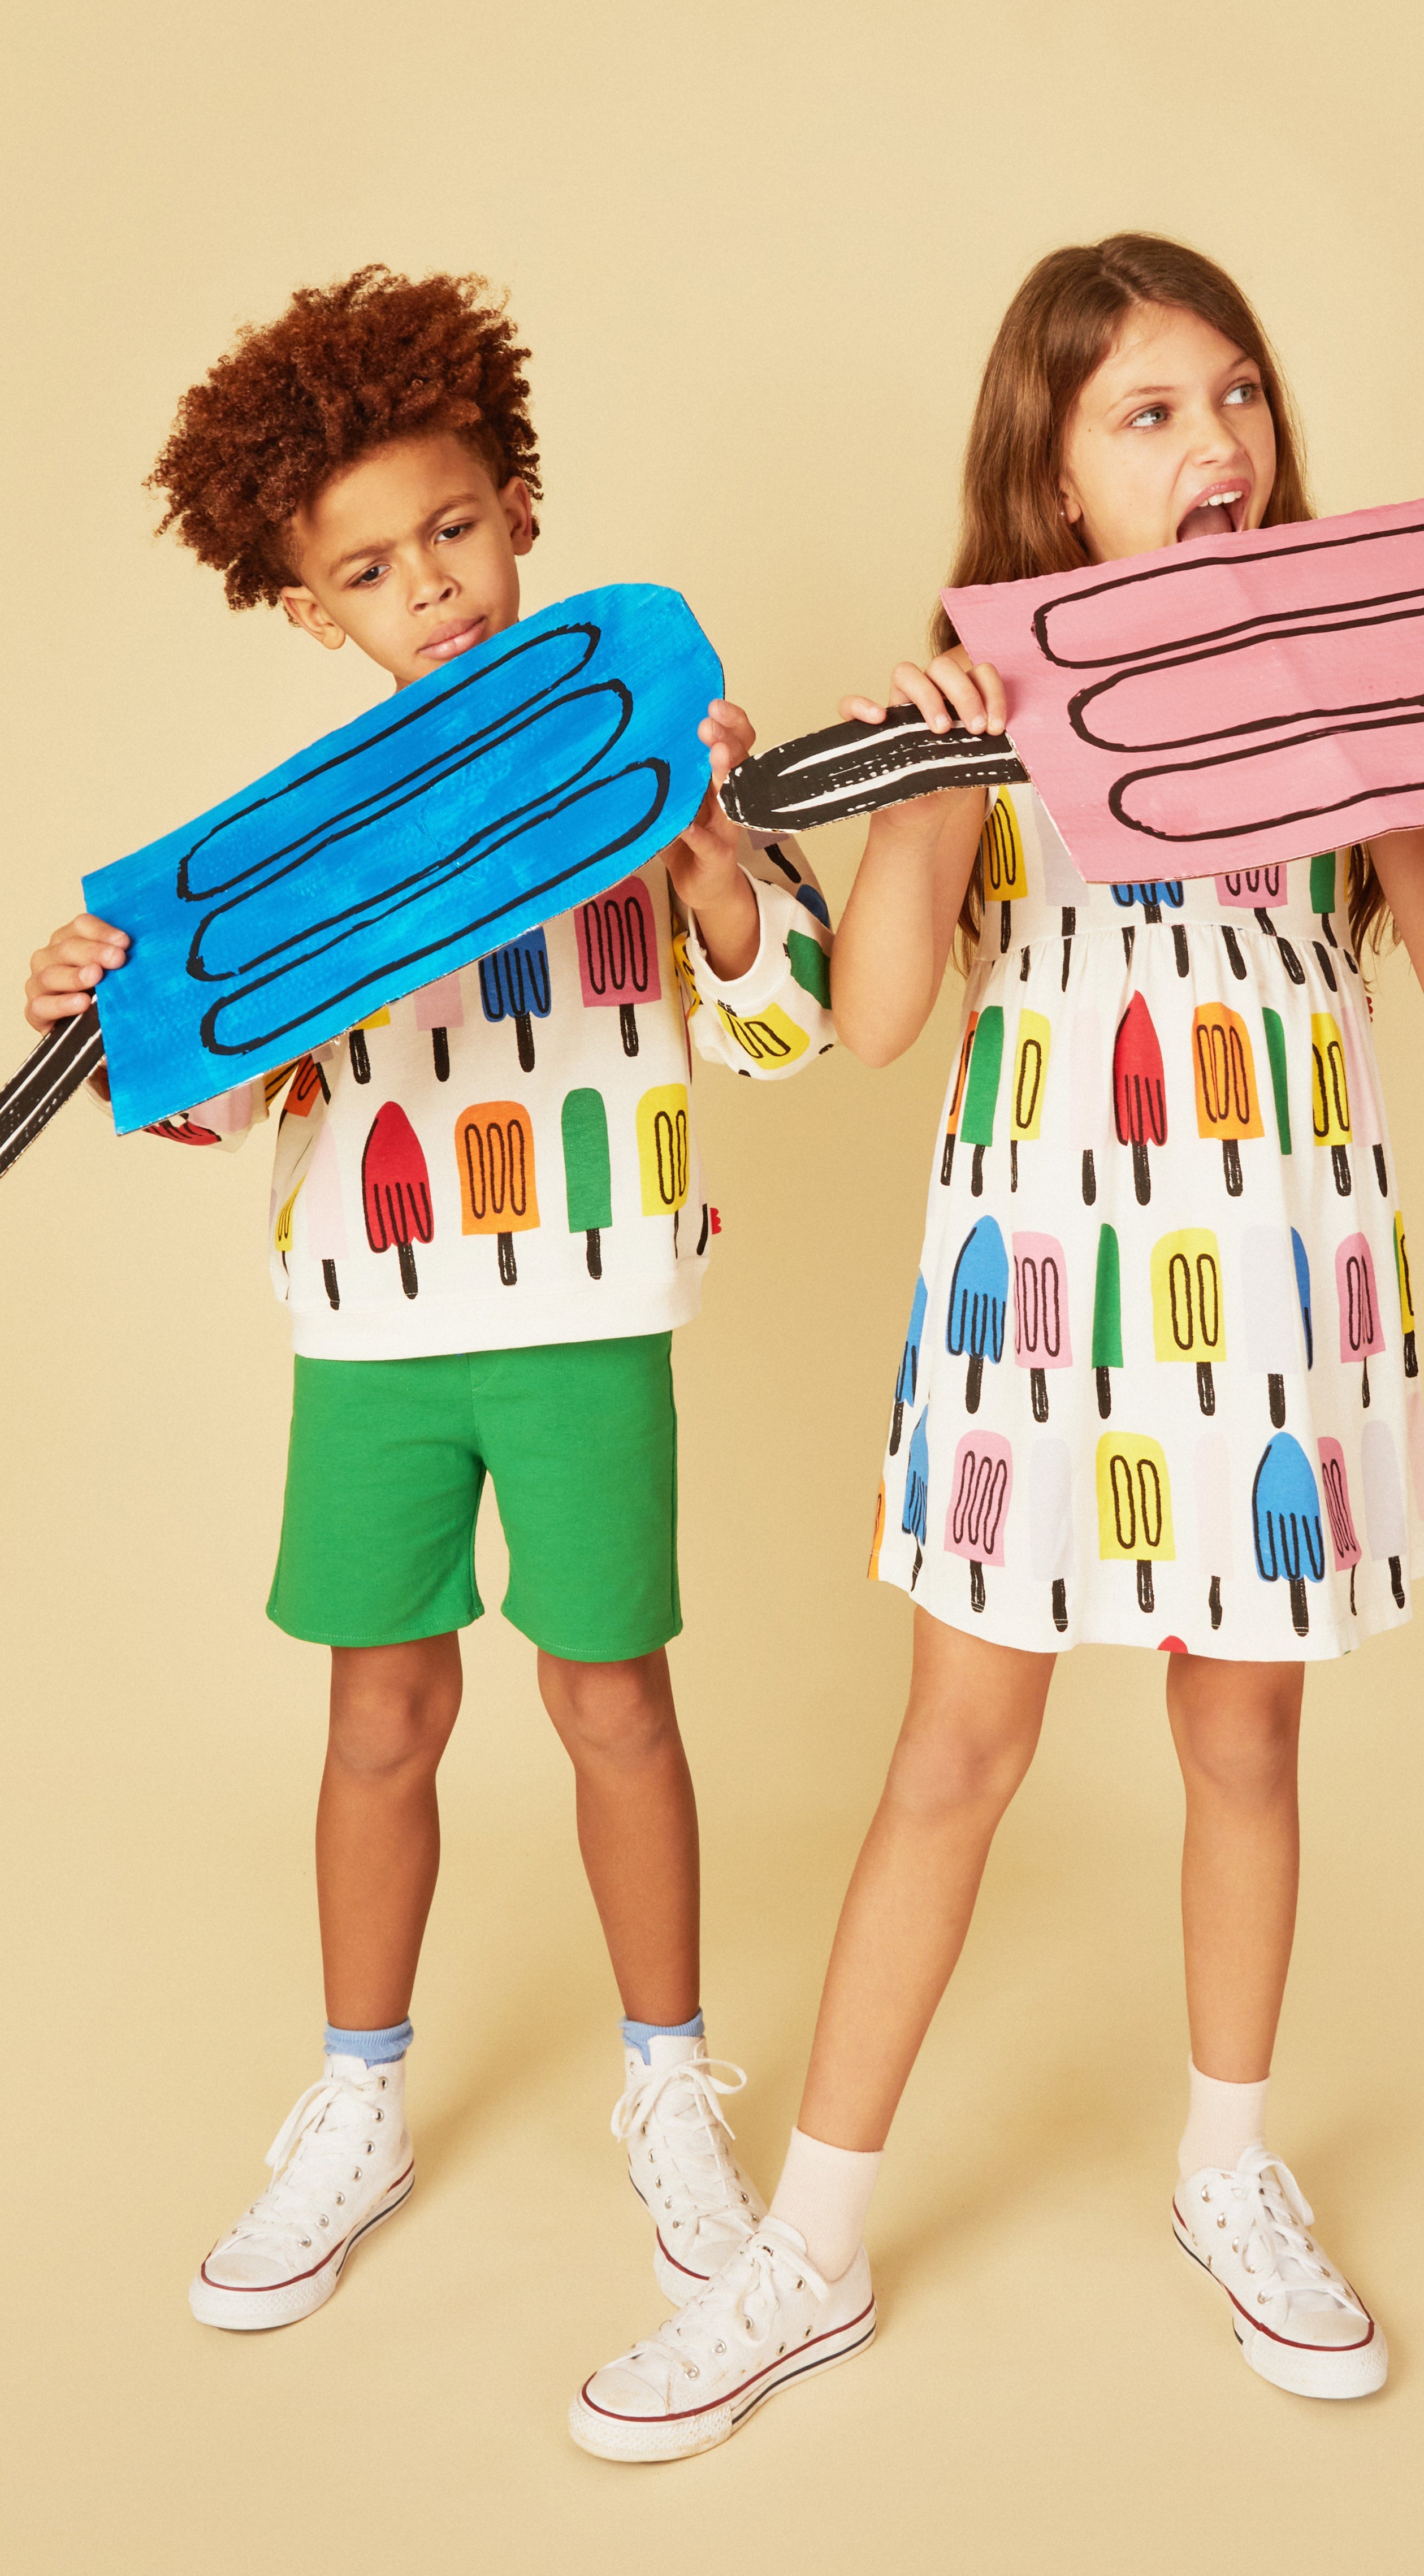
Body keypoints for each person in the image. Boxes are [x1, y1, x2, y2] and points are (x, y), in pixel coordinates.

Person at [570, 231, 1424, 2459]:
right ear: (1051, 479)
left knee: (1244, 1745)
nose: (1215, 439)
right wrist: (922, 794)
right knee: (953, 1759)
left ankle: (1226, 2168)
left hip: (1270, 1307)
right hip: (1038, 1312)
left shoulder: (1360, 706)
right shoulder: (978, 720)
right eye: (1150, 412)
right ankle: (810, 2249)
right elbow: (880, 1022)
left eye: (1236, 392)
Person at [22, 266, 836, 2333]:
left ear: (520, 508)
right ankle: (359, 2099)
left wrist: (713, 858)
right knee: (378, 1712)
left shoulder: (640, 761)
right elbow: (217, 1099)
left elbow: (787, 1033)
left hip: (590, 1309)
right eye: (371, 570)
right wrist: (108, 1011)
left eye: (456, 529)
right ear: (313, 612)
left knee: (612, 1702)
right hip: (371, 1335)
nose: (434, 588)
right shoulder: (302, 861)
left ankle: (671, 2088)